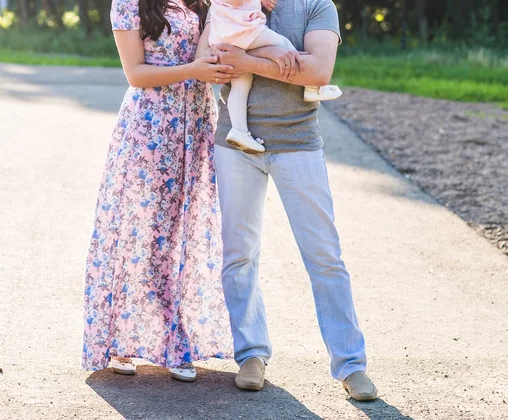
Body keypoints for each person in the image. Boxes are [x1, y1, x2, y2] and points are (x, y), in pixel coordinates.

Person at [201, 0, 379, 400]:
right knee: (239, 254)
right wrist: (279, 59)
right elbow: (215, 62)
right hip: (236, 143)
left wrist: (249, 58)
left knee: (324, 256)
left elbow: (318, 71)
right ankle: (250, 354)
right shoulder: (230, 2)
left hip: (297, 143)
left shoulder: (317, 6)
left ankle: (351, 366)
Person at [82, 0, 234, 382]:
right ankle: (124, 341)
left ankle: (174, 341)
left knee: (183, 238)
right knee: (141, 238)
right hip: (150, 128)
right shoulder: (129, 3)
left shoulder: (200, 2)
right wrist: (194, 71)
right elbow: (135, 73)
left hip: (196, 126)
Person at [205, 0, 342, 153]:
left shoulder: (318, 5)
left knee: (241, 82)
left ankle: (239, 131)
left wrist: (244, 61)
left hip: (227, 35)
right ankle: (311, 87)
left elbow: (320, 72)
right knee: (284, 46)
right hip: (240, 31)